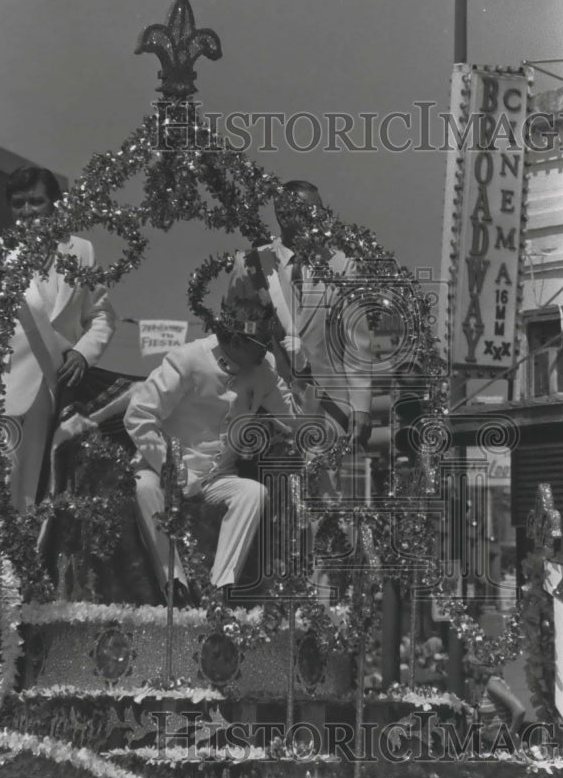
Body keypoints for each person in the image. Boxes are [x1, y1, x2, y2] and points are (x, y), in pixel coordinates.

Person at [0, 166, 115, 512]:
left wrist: (83, 353)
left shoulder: (82, 251)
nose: (27, 212)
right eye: (18, 204)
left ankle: (25, 566)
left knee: (38, 496)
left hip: (55, 393)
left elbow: (102, 315)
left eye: (36, 202)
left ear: (55, 204)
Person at [124, 297, 297, 601]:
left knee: (253, 493)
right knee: (143, 487)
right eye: (260, 343)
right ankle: (174, 584)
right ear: (237, 339)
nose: (266, 349)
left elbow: (294, 420)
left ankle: (220, 589)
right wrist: (169, 466)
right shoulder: (186, 359)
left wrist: (303, 378)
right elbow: (139, 414)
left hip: (216, 478)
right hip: (164, 471)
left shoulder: (263, 368)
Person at [225, 180, 376, 450]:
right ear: (283, 214)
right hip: (267, 403)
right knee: (271, 489)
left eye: (319, 210)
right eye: (308, 210)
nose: (317, 217)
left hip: (331, 405)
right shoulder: (251, 264)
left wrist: (361, 405)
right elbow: (231, 333)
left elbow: (357, 341)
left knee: (329, 491)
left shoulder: (342, 266)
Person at [464, 653, 526, 752]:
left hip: (505, 748)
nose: (469, 673)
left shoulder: (492, 683)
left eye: (471, 669)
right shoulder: (481, 687)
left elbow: (519, 710)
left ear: (478, 668)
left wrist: (510, 735)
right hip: (491, 747)